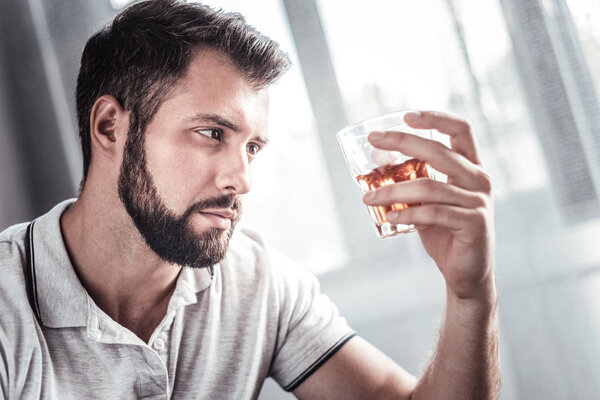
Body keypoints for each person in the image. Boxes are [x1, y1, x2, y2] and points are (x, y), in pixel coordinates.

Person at [0, 0, 500, 398]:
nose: (242, 179)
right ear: (111, 127)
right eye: (212, 133)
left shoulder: (257, 282)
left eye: (252, 147)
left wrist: (469, 295)